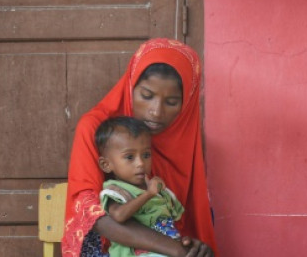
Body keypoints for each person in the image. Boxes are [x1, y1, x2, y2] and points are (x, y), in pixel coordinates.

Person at [63, 38, 216, 257]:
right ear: (130, 86)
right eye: (146, 96)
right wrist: (175, 250)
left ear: (187, 103)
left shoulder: (184, 139)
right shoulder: (94, 129)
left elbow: (181, 220)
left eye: (171, 102)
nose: (156, 111)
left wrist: (193, 248)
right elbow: (94, 217)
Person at [95, 116, 185, 257]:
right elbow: (118, 215)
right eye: (130, 157)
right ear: (106, 165)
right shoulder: (116, 190)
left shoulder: (158, 188)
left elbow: (174, 220)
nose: (141, 163)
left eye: (146, 155)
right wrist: (148, 194)